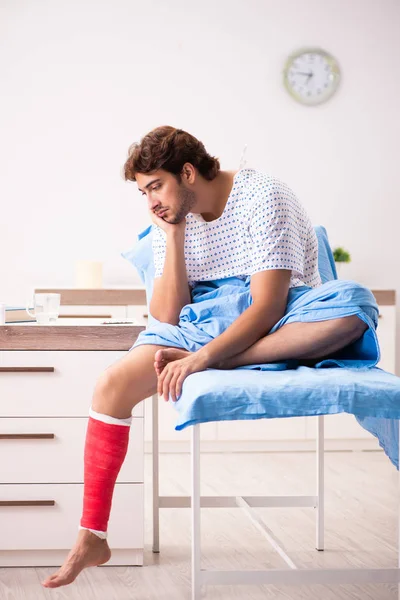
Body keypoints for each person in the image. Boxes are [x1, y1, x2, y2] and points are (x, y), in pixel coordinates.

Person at [41, 125, 374, 588]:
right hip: (201, 321)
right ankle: (91, 536)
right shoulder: (167, 216)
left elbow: (268, 306)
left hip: (280, 314)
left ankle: (231, 358)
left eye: (156, 186)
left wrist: (202, 360)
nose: (151, 201)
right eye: (143, 192)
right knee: (109, 385)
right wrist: (173, 237)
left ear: (189, 172)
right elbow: (166, 315)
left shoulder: (264, 196)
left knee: (354, 308)